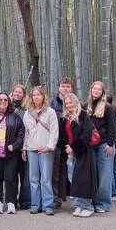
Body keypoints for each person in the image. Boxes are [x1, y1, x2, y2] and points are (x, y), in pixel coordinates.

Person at [22, 86, 59, 216]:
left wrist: (49, 146)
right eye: (34, 95)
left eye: (39, 94)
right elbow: (26, 132)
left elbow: (55, 131)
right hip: (32, 148)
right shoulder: (27, 113)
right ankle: (35, 204)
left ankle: (48, 205)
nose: (36, 97)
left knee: (46, 179)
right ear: (31, 98)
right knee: (33, 178)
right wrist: (24, 148)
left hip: (46, 149)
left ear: (43, 96)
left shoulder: (50, 112)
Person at [62, 93, 97, 217]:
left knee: (83, 180)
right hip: (71, 153)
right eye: (66, 103)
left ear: (75, 102)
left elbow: (86, 134)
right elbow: (66, 135)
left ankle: (87, 206)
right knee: (73, 179)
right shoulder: (66, 117)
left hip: (83, 151)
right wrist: (67, 146)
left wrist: (73, 146)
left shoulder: (83, 115)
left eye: (70, 102)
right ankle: (78, 205)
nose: (68, 105)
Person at [84, 81, 116, 213]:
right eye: (94, 89)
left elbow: (112, 127)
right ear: (91, 90)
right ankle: (93, 201)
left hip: (104, 145)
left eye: (99, 89)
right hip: (90, 145)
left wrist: (110, 144)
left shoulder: (108, 107)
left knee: (105, 175)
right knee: (93, 175)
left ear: (102, 92)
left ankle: (103, 203)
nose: (96, 91)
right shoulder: (86, 106)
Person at [50, 77, 74, 208]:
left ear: (71, 88)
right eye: (63, 86)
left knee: (70, 171)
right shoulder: (52, 104)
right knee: (56, 173)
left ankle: (73, 197)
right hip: (57, 143)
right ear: (59, 88)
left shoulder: (75, 103)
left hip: (72, 144)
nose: (65, 88)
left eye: (68, 86)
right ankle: (56, 199)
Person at [10, 84, 30, 209]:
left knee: (25, 175)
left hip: (23, 146)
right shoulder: (6, 107)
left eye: (20, 92)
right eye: (15, 92)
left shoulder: (27, 110)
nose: (17, 94)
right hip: (10, 147)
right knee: (11, 175)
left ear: (24, 95)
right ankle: (12, 199)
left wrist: (25, 146)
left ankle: (25, 200)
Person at [107, 95, 116, 201]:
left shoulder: (109, 112)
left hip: (111, 143)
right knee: (115, 169)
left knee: (110, 169)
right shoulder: (115, 112)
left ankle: (112, 193)